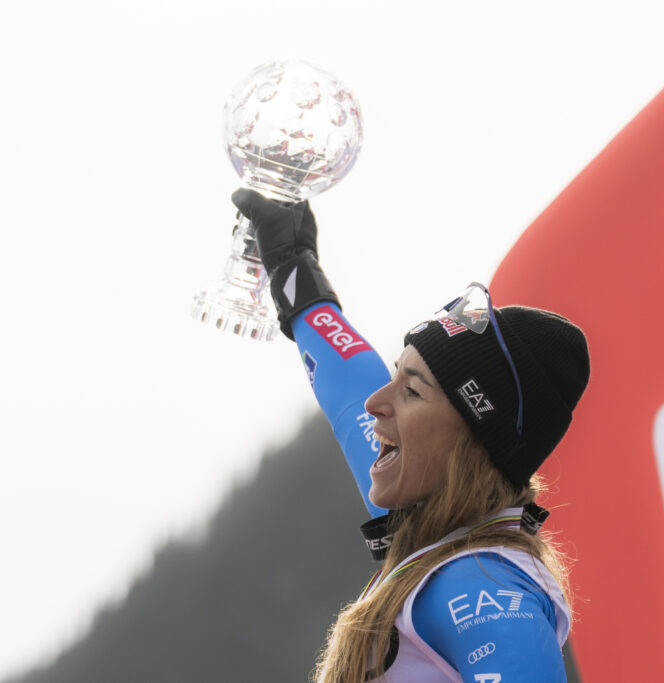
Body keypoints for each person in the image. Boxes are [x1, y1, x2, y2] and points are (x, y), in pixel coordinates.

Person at [232, 189, 590, 683]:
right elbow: (348, 390)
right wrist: (293, 267)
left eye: (412, 392)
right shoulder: (428, 530)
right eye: (395, 375)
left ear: (471, 445)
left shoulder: (476, 583)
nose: (376, 404)